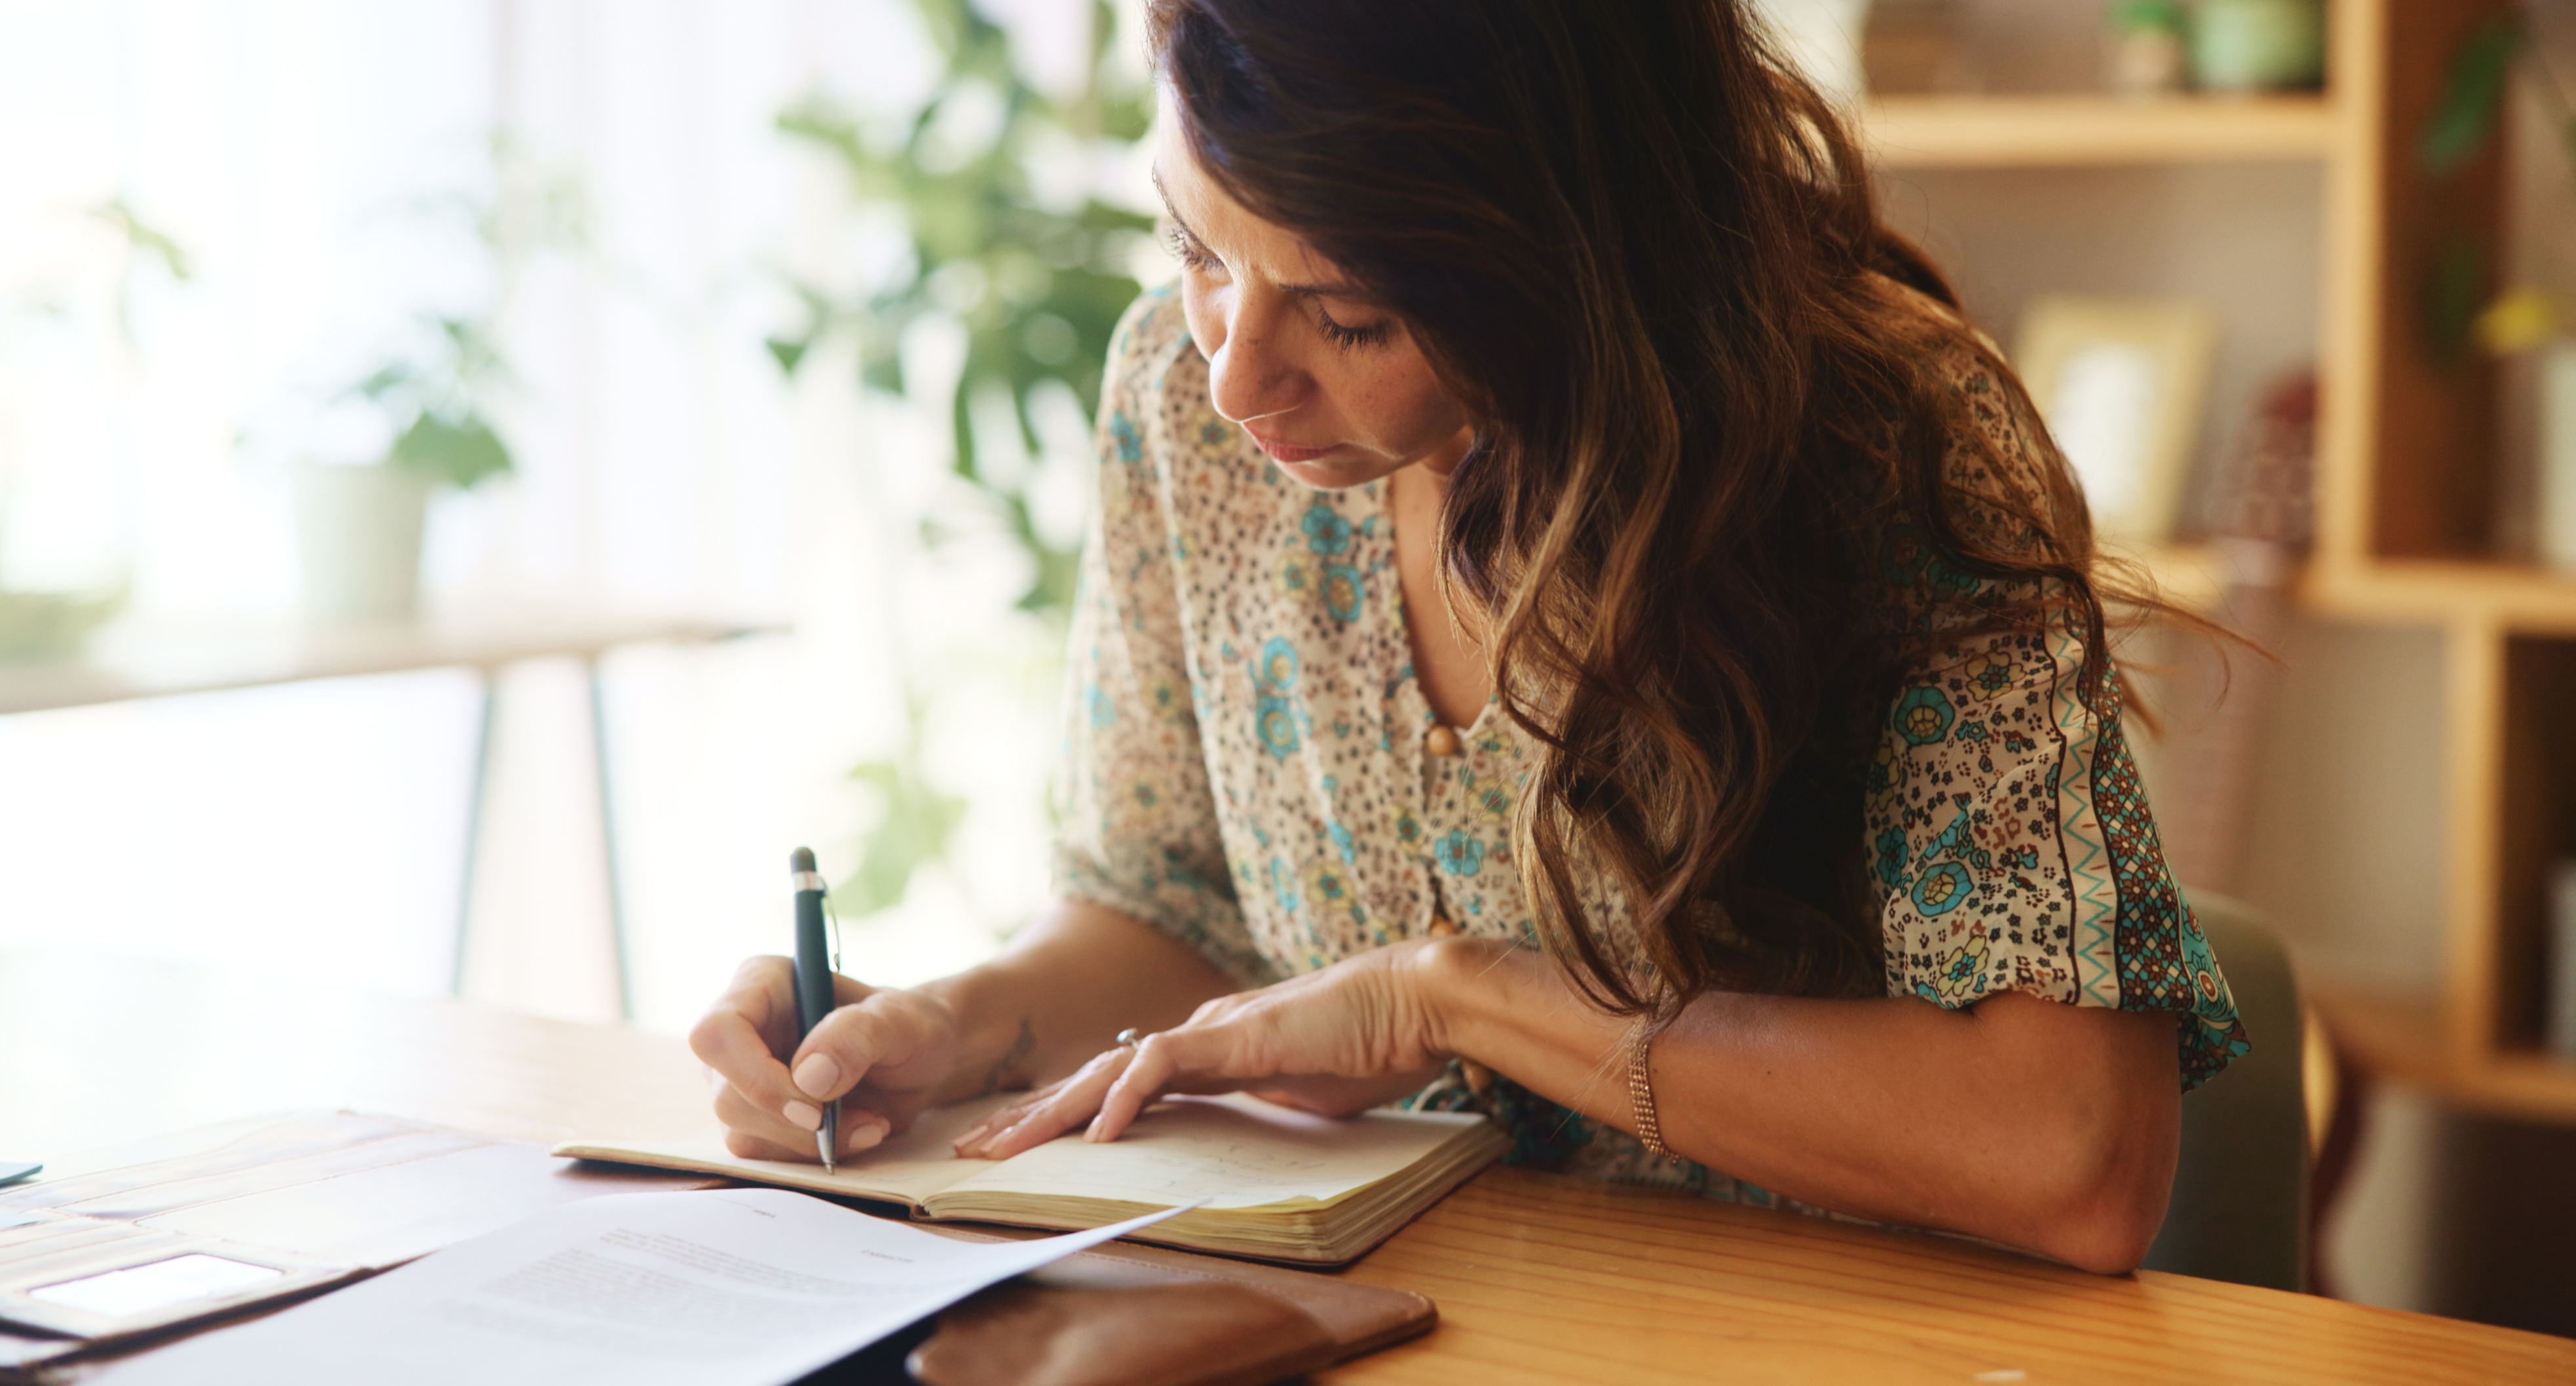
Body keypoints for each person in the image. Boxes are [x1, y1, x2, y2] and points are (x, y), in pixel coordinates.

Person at [692, 0, 2248, 1276]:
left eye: (1350, 314)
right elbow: (1165, 910)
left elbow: (2069, 1153)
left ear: (1579, 252)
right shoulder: (1177, 390)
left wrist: (1462, 995)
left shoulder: (1884, 440)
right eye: (1194, 246)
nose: (1238, 375)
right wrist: (954, 1025)